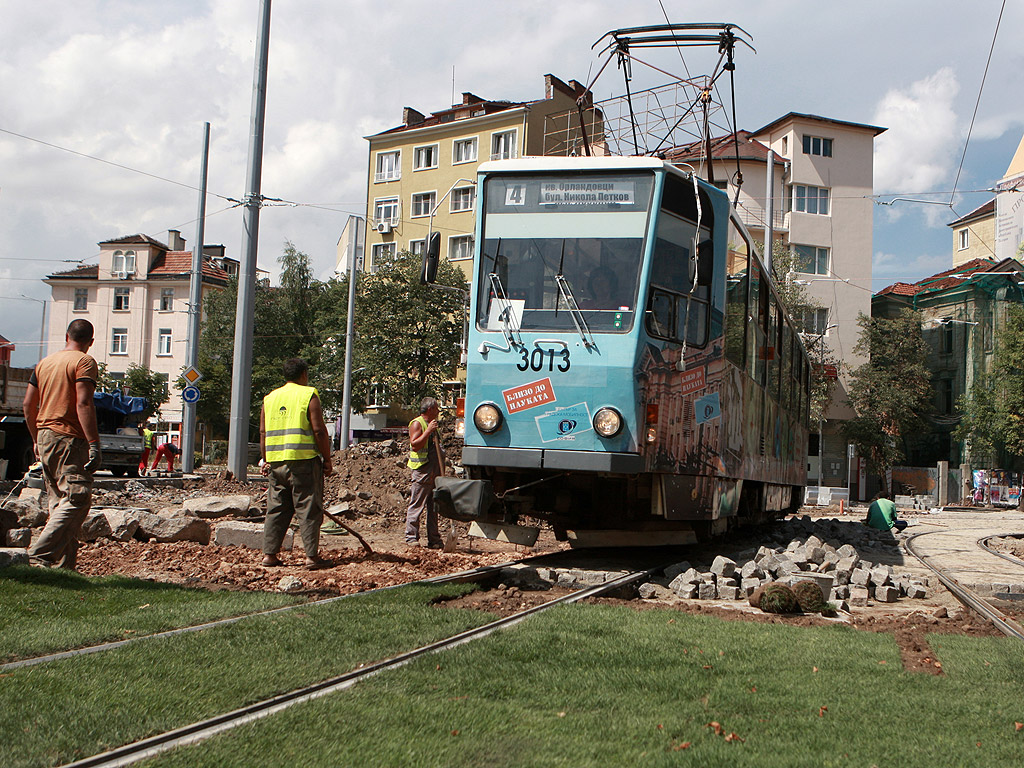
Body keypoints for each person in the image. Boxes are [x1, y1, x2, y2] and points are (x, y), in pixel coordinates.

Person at [22, 319, 102, 569]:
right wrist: (94, 444)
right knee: (78, 498)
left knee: (58, 502)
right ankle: (39, 555)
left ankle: (63, 568)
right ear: (90, 341)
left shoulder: (44, 363)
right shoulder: (84, 362)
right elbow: (83, 403)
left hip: (45, 435)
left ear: (66, 336)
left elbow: (27, 405)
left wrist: (36, 438)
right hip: (69, 438)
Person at [260, 358, 334, 568]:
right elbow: (319, 430)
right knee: (308, 507)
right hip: (303, 461)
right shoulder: (308, 394)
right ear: (304, 374)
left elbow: (263, 432)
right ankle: (311, 557)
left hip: (276, 463)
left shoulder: (270, 398)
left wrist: (266, 459)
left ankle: (269, 555)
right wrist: (327, 459)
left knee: (276, 508)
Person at [406, 396, 445, 548]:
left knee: (433, 508)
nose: (438, 411)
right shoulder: (418, 423)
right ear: (429, 409)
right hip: (423, 471)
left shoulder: (433, 425)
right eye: (436, 408)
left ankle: (434, 539)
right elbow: (415, 445)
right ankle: (411, 538)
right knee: (417, 505)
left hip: (434, 472)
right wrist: (428, 431)